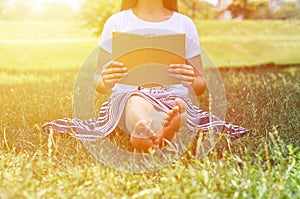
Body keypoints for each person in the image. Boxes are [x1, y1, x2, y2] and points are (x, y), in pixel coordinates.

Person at [42, 0, 249, 152]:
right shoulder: (117, 22)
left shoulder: (184, 24)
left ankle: (156, 129)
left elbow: (200, 85)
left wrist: (192, 79)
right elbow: (99, 81)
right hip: (128, 95)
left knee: (179, 103)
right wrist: (105, 79)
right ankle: (150, 128)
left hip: (172, 95)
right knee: (136, 102)